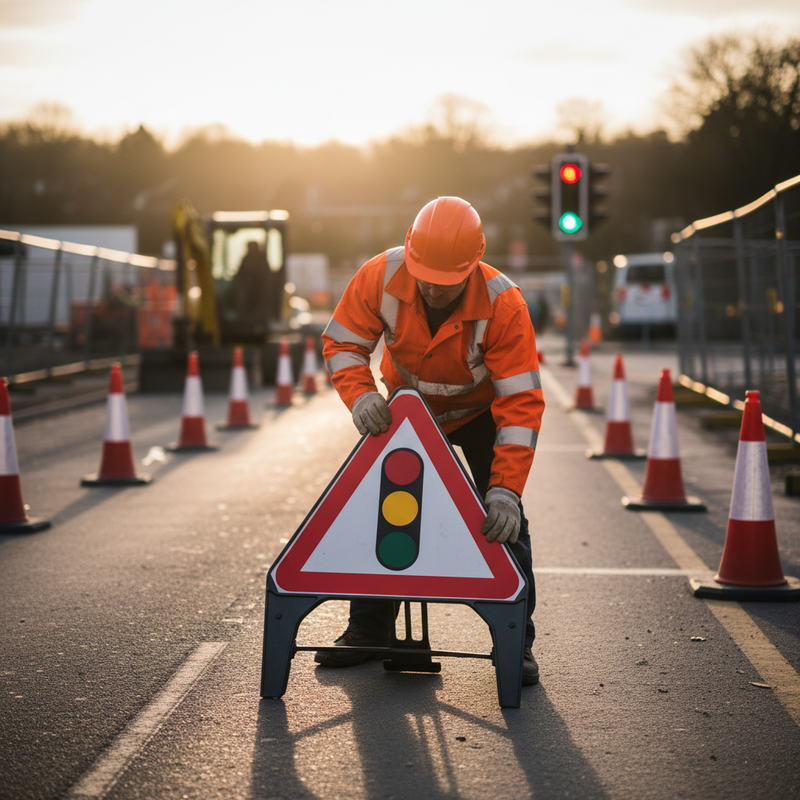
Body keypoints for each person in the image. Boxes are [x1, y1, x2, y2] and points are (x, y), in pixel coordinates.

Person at [317, 196, 544, 685]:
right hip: (406, 410)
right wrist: (360, 397)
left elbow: (520, 405)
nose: (433, 291)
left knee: (504, 521)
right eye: (425, 278)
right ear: (409, 253)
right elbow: (343, 343)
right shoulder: (380, 276)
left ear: (474, 264)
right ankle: (368, 629)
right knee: (385, 509)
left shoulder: (504, 303)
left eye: (446, 283)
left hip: (478, 413)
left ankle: (514, 640)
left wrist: (505, 489)